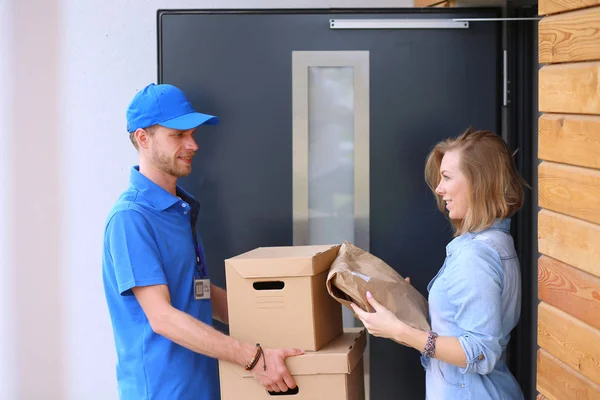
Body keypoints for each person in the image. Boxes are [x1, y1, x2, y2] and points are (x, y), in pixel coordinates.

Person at [102, 83, 303, 400]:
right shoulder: (131, 218)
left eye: (193, 133)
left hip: (204, 387)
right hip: (162, 392)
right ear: (143, 138)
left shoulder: (179, 209)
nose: (193, 144)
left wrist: (293, 321)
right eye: (178, 135)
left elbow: (199, 292)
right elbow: (163, 318)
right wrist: (252, 358)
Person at [351, 128, 527, 399]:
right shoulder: (495, 240)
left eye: (446, 177)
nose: (439, 188)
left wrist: (399, 330)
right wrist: (407, 312)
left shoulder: (475, 255)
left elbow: (480, 352)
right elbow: (460, 325)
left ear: (478, 181)